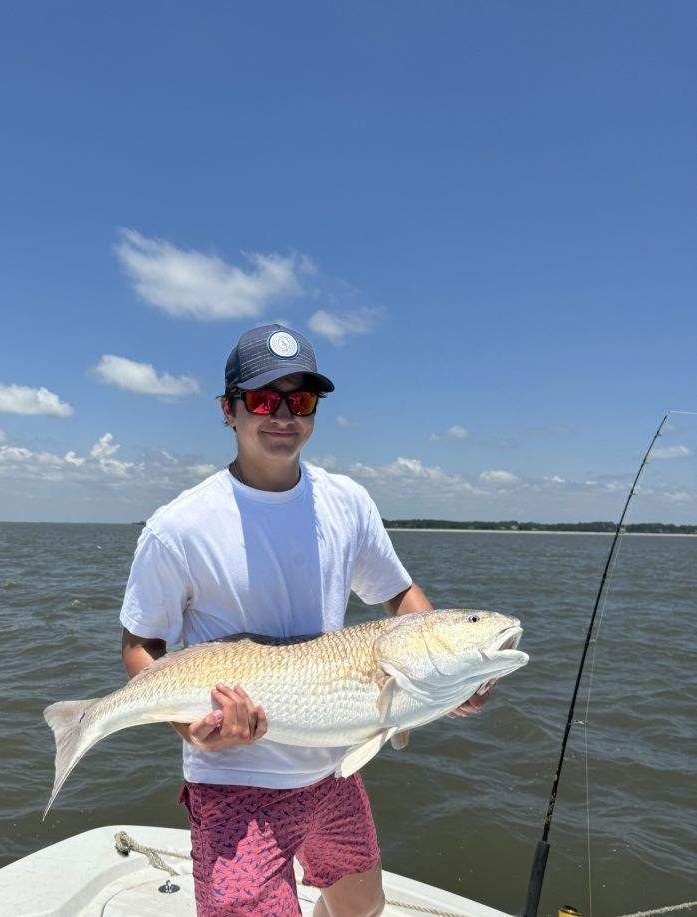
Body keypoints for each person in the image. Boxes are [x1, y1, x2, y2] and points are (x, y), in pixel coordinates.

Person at [119, 323, 488, 917]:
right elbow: (141, 644)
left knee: (362, 906)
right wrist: (190, 728)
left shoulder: (348, 503)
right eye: (265, 400)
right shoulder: (178, 527)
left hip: (334, 765)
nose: (285, 416)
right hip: (234, 780)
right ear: (228, 410)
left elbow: (399, 597)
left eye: (302, 400)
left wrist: (449, 674)